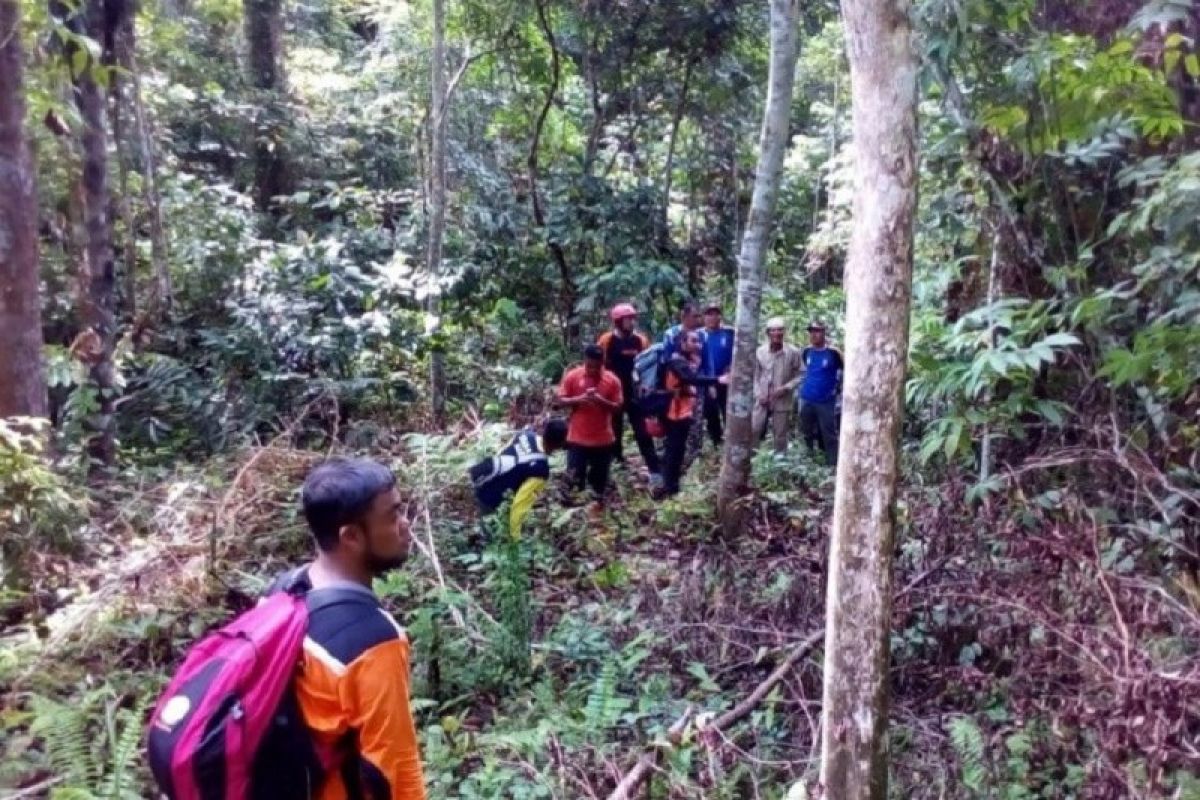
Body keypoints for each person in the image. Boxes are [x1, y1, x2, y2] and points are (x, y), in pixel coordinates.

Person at [280, 458, 427, 799]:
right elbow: (395, 771)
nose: (405, 525)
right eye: (393, 516)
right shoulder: (373, 642)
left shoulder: (284, 589)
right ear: (351, 536)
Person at [469, 418, 568, 537]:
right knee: (488, 537)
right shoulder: (540, 470)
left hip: (484, 480)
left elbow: (503, 453)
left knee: (484, 526)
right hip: (493, 500)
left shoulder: (525, 435)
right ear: (560, 444)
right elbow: (519, 506)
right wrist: (515, 540)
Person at [597, 303, 662, 483]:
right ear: (618, 321)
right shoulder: (607, 340)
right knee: (613, 431)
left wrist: (649, 387)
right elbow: (599, 365)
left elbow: (649, 365)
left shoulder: (640, 340)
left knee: (643, 432)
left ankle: (655, 470)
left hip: (635, 394)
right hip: (613, 394)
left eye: (633, 319)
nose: (631, 322)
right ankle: (616, 466)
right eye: (627, 319)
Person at [557, 344, 624, 509]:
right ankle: (573, 517)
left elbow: (618, 407)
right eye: (589, 365)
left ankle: (596, 517)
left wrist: (601, 400)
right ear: (584, 361)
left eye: (597, 366)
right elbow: (559, 401)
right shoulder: (573, 376)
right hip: (577, 440)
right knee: (574, 481)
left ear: (603, 363)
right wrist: (578, 399)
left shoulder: (612, 380)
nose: (593, 369)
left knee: (599, 484)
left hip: (603, 440)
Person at [660, 329, 724, 497]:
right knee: (674, 448)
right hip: (674, 411)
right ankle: (669, 486)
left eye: (699, 342)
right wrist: (717, 380)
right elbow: (690, 379)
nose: (698, 345)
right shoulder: (676, 361)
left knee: (679, 448)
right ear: (683, 344)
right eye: (693, 341)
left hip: (684, 411)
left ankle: (671, 484)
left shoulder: (690, 361)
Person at [753, 317, 804, 454]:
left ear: (784, 332)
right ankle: (750, 462)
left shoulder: (793, 352)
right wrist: (758, 394)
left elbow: (801, 374)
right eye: (773, 330)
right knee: (754, 430)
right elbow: (755, 376)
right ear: (768, 333)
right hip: (762, 399)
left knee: (780, 435)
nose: (777, 333)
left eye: (780, 329)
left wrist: (786, 387)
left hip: (782, 400)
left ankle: (780, 465)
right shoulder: (760, 352)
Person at [798, 321, 844, 465]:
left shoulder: (833, 353)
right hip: (806, 399)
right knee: (806, 432)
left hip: (826, 401)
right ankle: (809, 462)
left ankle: (832, 464)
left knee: (829, 433)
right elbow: (806, 370)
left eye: (818, 331)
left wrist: (837, 389)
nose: (814, 334)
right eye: (812, 331)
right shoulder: (806, 352)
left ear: (824, 333)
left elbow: (844, 370)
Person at [699, 302, 735, 447]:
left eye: (716, 313)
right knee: (710, 412)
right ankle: (717, 442)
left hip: (727, 379)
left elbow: (737, 353)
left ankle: (732, 440)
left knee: (728, 410)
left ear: (720, 316)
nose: (713, 317)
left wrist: (731, 369)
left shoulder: (729, 333)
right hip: (708, 379)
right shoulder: (699, 334)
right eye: (709, 314)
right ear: (704, 317)